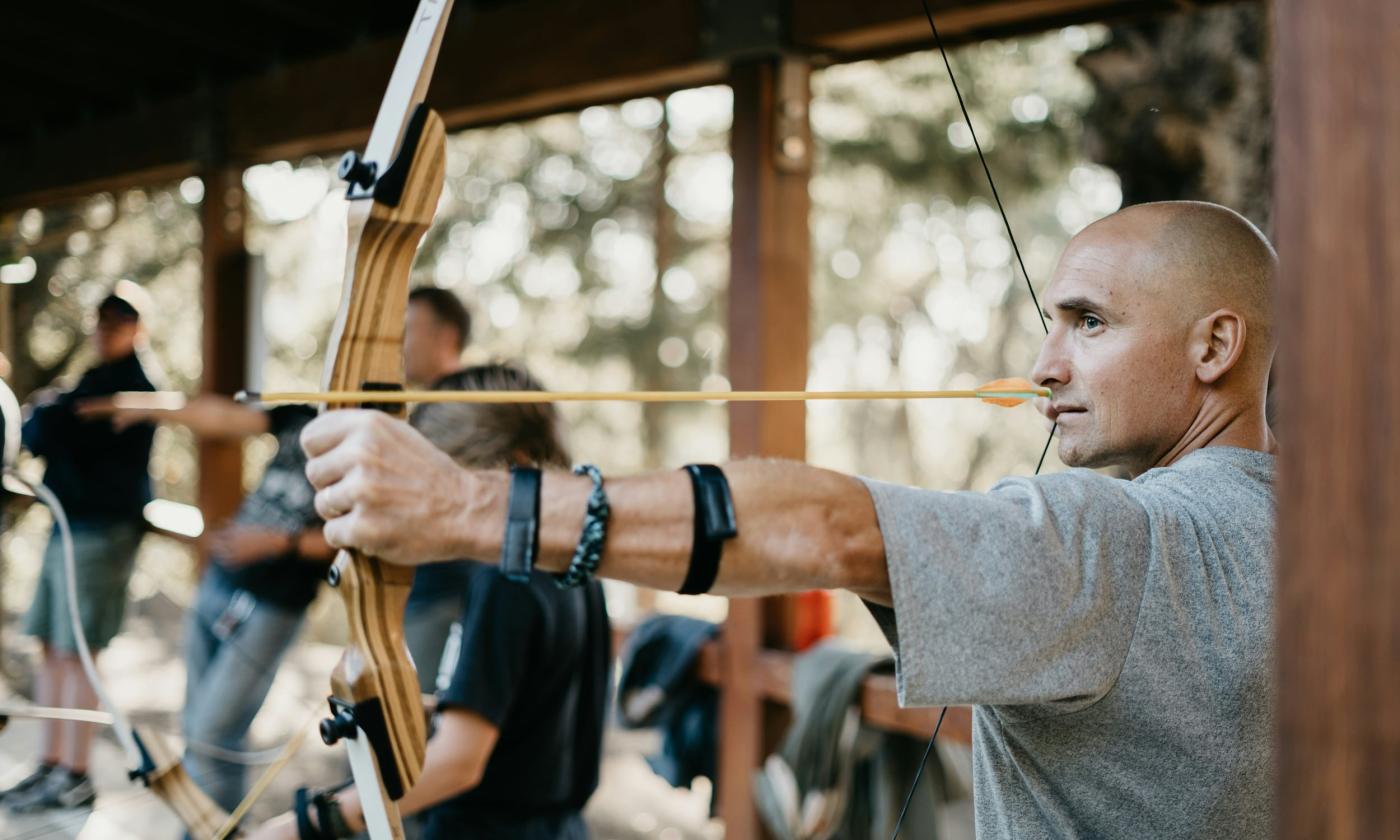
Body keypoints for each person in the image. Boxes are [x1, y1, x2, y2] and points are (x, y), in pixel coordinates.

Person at [297, 201, 1280, 839]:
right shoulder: (1321, 542)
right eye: (1049, 323)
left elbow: (828, 531)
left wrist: (462, 505)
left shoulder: (1111, 539)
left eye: (1089, 322)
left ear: (1213, 346)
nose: (1043, 367)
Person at [251, 363, 611, 840]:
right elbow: (531, 710)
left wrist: (309, 823)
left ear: (512, 465)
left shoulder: (507, 580)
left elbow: (459, 763)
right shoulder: (578, 566)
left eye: (454, 483)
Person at [74, 392, 335, 814]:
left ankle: (213, 829)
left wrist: (275, 541)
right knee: (197, 730)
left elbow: (357, 537)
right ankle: (202, 828)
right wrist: (148, 407)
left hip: (276, 602)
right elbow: (222, 417)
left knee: (215, 735)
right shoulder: (303, 414)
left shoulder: (374, 433)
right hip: (222, 581)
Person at [3, 291, 158, 812]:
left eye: (116, 323)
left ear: (136, 328)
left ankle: (75, 772)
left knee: (78, 653)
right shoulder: (92, 382)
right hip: (67, 525)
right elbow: (42, 428)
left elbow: (59, 431)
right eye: (100, 322)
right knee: (51, 645)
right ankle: (50, 765)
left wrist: (59, 418)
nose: (104, 331)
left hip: (101, 533)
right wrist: (59, 418)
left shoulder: (136, 390)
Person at [400, 286, 475, 693]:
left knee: (408, 715)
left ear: (446, 336)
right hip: (425, 588)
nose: (399, 344)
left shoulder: (468, 401)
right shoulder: (433, 404)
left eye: (409, 329)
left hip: (445, 591)